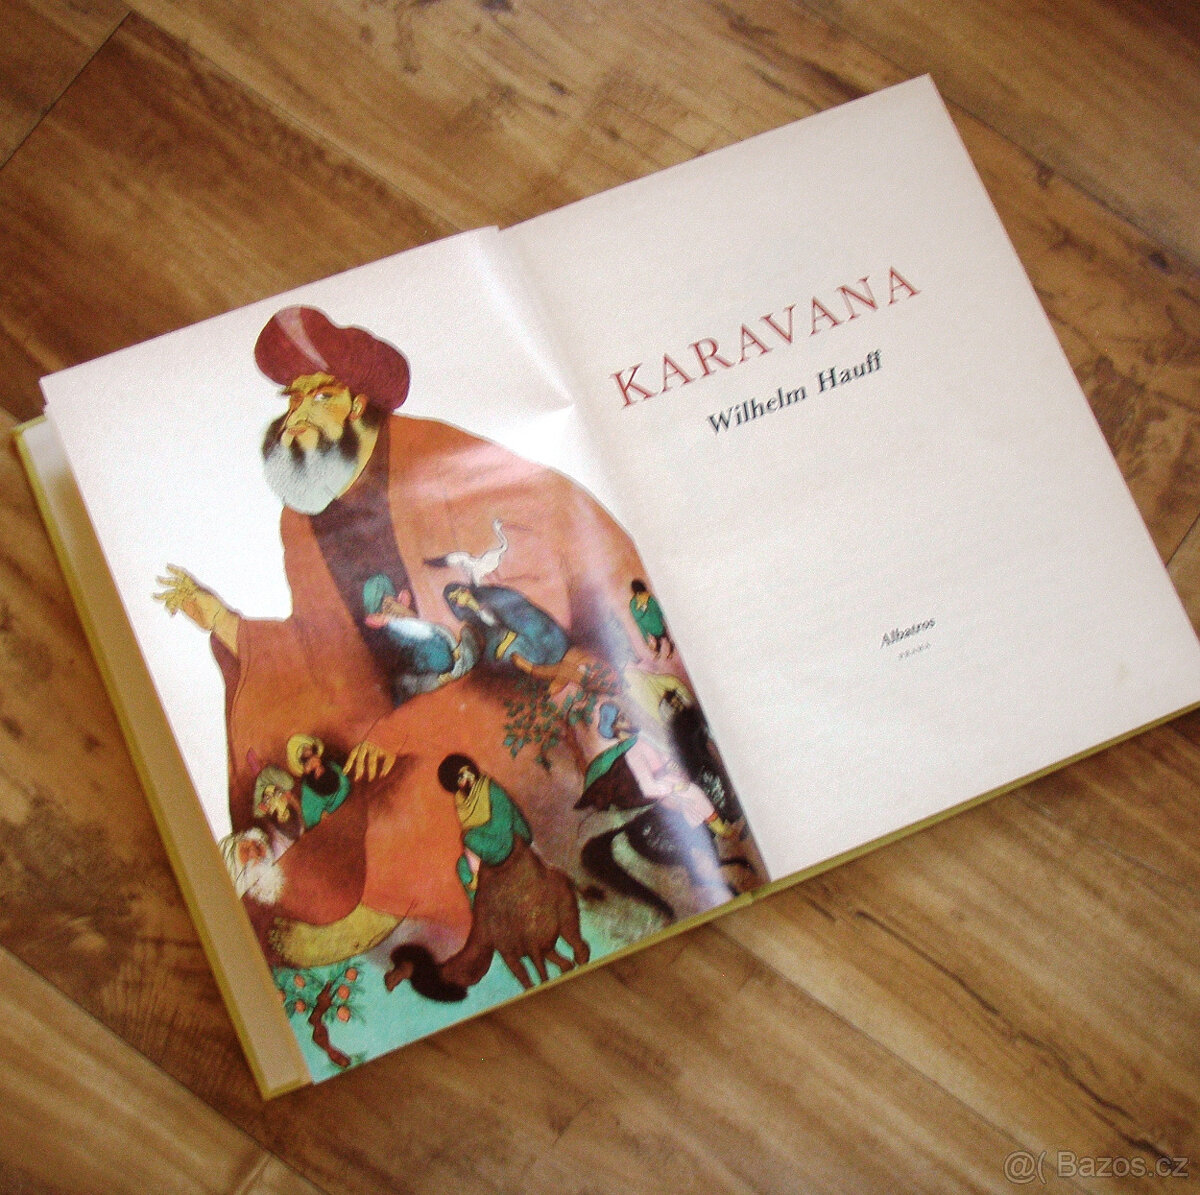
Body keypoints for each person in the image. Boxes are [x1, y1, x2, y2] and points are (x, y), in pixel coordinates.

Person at [153, 305, 655, 976]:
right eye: (292, 400)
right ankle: (325, 877)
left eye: (317, 395)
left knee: (421, 772)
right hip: (392, 691)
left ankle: (381, 904)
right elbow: (325, 645)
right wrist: (222, 621)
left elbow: (533, 568)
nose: (296, 416)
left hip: (504, 669)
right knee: (316, 756)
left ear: (358, 402)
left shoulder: (438, 460)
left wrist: (416, 713)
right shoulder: (301, 521)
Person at [629, 579, 673, 657]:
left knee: (661, 638)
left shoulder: (636, 602)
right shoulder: (644, 599)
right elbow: (658, 609)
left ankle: (662, 650)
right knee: (661, 638)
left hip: (651, 626)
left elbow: (657, 610)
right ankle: (661, 651)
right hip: (653, 625)